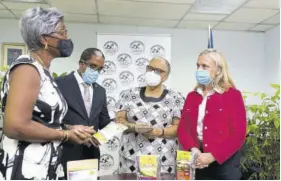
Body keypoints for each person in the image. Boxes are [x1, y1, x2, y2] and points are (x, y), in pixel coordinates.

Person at [0, 7, 95, 180]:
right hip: (24, 169)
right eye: (63, 32)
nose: (67, 38)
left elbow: (40, 119)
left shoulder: (43, 71)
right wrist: (65, 135)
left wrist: (69, 128)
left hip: (43, 166)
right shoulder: (27, 69)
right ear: (44, 38)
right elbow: (15, 126)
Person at [177, 49, 247, 179]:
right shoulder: (192, 96)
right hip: (196, 160)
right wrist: (193, 149)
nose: (199, 69)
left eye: (205, 66)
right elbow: (183, 128)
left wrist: (212, 156)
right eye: (198, 65)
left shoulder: (232, 95)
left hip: (224, 162)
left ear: (219, 70)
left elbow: (238, 134)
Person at [115, 57, 185, 174]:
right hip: (130, 160)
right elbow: (119, 120)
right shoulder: (129, 94)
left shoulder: (176, 98)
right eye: (150, 68)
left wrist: (157, 132)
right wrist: (133, 127)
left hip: (163, 161)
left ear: (166, 76)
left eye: (158, 71)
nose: (153, 73)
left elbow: (179, 128)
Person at [55, 48, 111, 178]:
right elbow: (51, 120)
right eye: (93, 66)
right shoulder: (60, 84)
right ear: (81, 64)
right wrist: (69, 128)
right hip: (65, 152)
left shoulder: (100, 91)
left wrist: (119, 124)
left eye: (100, 69)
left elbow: (104, 122)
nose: (96, 72)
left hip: (91, 155)